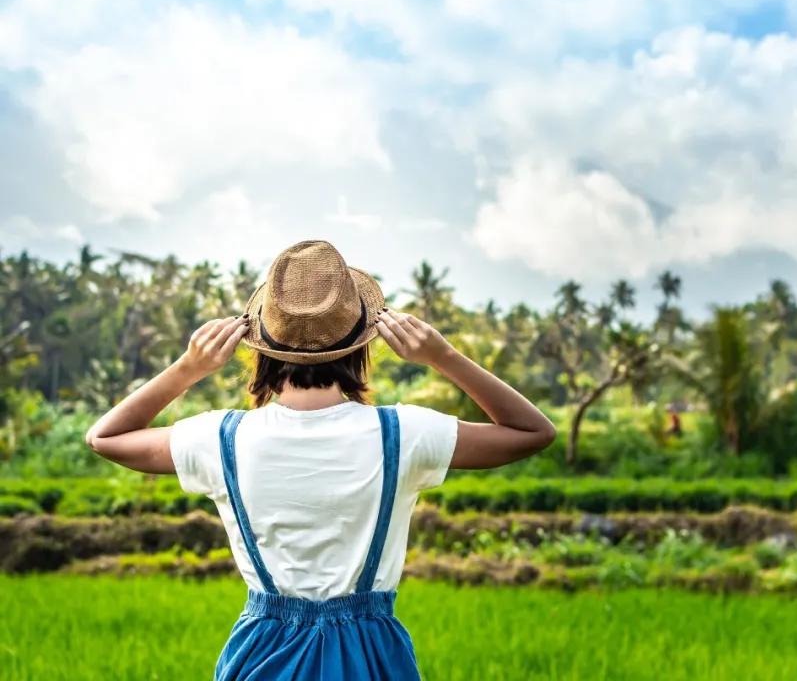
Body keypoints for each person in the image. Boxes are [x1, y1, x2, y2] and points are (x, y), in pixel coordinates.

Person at [85, 240, 557, 680]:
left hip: (260, 653)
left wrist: (189, 367)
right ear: (362, 346)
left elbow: (106, 437)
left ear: (260, 346)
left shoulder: (221, 437)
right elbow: (532, 432)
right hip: (371, 653)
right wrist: (444, 356)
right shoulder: (404, 433)